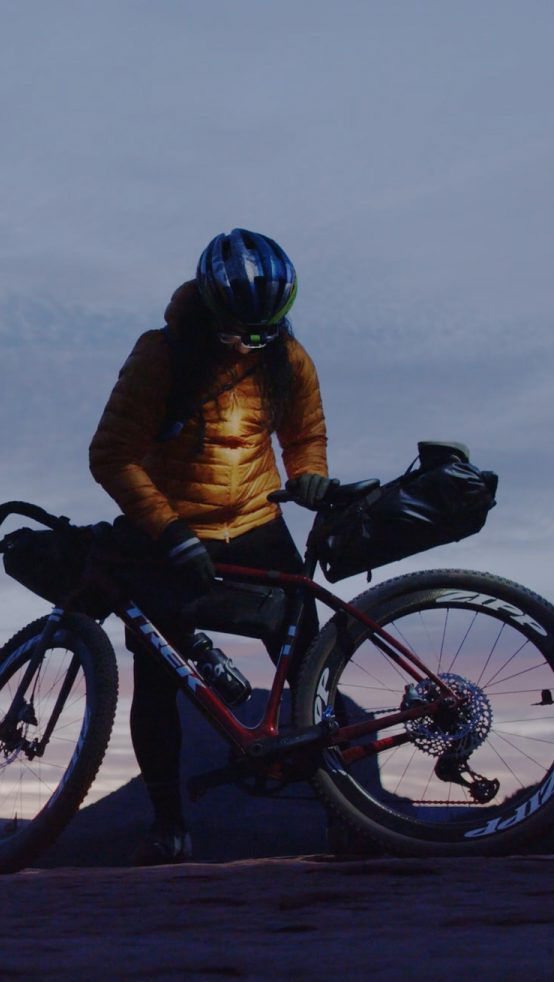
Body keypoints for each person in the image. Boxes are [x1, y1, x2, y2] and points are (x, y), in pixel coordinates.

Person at [89, 228, 331, 865]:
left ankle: (342, 802)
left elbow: (304, 432)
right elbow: (112, 455)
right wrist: (169, 533)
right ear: (209, 308)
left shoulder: (287, 355)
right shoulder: (160, 356)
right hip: (170, 525)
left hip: (256, 516)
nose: (252, 341)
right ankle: (168, 823)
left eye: (265, 329)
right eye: (237, 330)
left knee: (307, 650)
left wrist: (309, 471)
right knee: (156, 674)